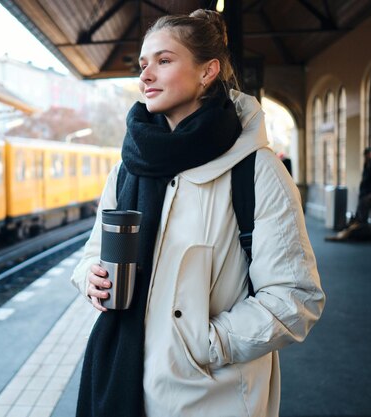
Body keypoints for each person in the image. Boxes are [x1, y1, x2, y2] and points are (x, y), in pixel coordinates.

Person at [70, 9, 325, 417]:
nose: (146, 76)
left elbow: (295, 297)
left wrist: (202, 344)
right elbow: (91, 253)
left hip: (212, 398)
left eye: (164, 60)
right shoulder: (128, 167)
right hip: (123, 383)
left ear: (208, 72)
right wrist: (90, 278)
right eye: (143, 64)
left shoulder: (256, 170)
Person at [326, 147, 371, 241]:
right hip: (364, 193)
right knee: (360, 216)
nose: (366, 157)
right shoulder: (367, 163)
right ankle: (357, 233)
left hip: (369, 194)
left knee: (362, 217)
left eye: (367, 155)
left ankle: (360, 234)